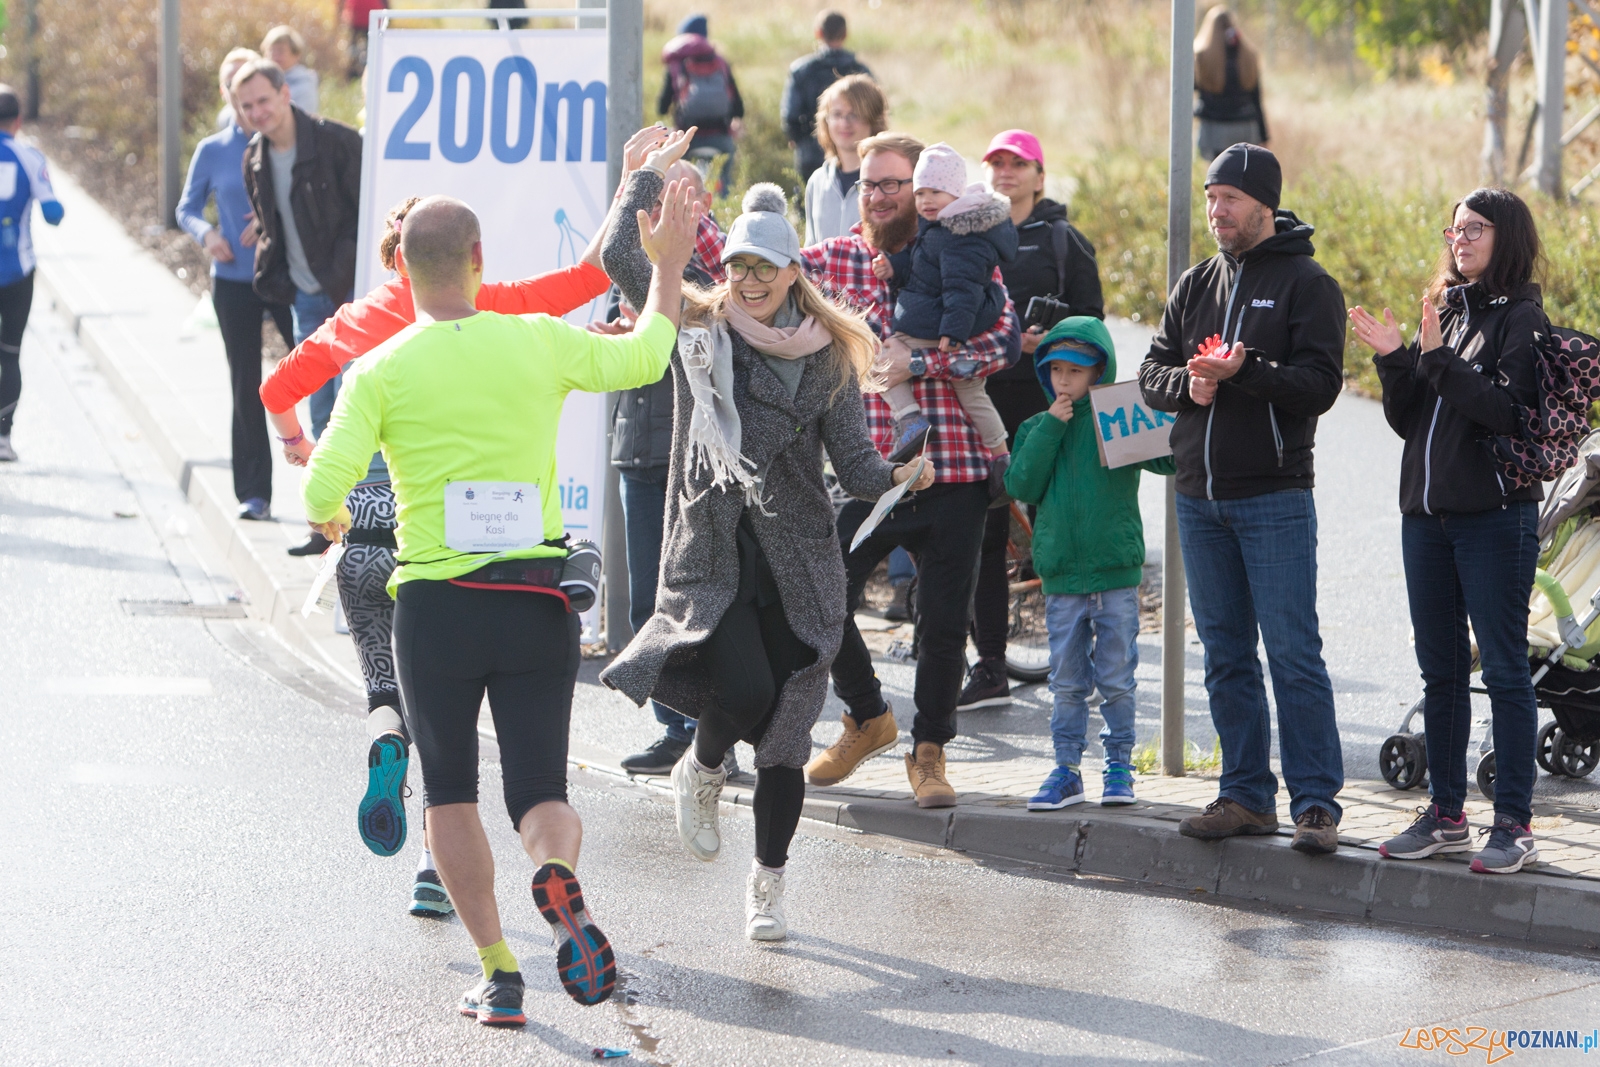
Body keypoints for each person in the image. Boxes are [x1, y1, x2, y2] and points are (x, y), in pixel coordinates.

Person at [301, 180, 699, 1023]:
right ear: (480, 262)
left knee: (449, 792)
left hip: (437, 606)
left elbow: (322, 486)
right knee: (539, 791)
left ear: (403, 270)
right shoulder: (537, 339)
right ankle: (561, 882)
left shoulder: (379, 367)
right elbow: (645, 356)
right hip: (535, 600)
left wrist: (334, 515)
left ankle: (499, 971)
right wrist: (664, 267)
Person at [600, 133, 933, 941]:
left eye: (762, 268)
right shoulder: (700, 322)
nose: (746, 280)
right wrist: (640, 173)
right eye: (738, 265)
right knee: (743, 692)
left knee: (787, 733)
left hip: (798, 562)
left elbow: (852, 463)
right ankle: (703, 765)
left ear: (793, 274)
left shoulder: (827, 360)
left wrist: (895, 475)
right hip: (716, 550)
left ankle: (768, 887)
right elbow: (619, 255)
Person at [261, 194, 613, 914]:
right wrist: (633, 188)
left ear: (396, 259)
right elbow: (587, 278)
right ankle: (435, 867)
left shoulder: (357, 323)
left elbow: (276, 388)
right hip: (447, 553)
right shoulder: (494, 307)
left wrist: (298, 447)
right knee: (458, 749)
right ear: (461, 259)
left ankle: (386, 733)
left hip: (362, 537)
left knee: (397, 694)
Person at [799, 131, 1020, 808]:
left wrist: (922, 364)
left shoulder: (962, 247)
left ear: (924, 190)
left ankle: (929, 752)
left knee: (945, 621)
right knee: (816, 587)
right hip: (871, 473)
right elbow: (752, 271)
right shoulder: (838, 261)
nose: (884, 195)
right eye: (870, 184)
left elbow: (1003, 338)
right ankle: (867, 714)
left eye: (896, 182)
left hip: (952, 467)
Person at [1138, 143, 1346, 855]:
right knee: (1226, 654)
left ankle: (1316, 803)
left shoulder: (1307, 283)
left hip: (1275, 497)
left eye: (1228, 198)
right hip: (1199, 497)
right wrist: (1188, 386)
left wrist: (1246, 369)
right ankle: (1246, 795)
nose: (1216, 210)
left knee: (1293, 653)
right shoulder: (1196, 282)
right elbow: (1151, 370)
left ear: (1264, 204)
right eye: (1210, 197)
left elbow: (1320, 385)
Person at [1353, 188, 1546, 875]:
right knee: (1440, 671)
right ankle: (1446, 813)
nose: (1458, 239)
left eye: (1474, 229)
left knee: (1503, 668)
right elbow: (1414, 420)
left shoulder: (1523, 318)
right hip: (1426, 519)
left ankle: (1516, 825)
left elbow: (1507, 413)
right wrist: (1396, 357)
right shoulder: (1450, 309)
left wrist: (1435, 360)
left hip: (1495, 518)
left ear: (1507, 237)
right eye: (1454, 229)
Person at [960, 128, 1104, 711]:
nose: (1006, 172)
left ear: (1040, 175)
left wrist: (1051, 339)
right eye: (996, 162)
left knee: (1062, 532)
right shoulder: (968, 237)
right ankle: (991, 665)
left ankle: (1079, 658)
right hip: (987, 406)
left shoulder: (1065, 241)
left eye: (1017, 163)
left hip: (1052, 406)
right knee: (988, 537)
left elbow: (1093, 326)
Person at [1006, 319, 1173, 809]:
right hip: (1061, 581)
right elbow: (1022, 485)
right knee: (1067, 682)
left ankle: (1119, 766)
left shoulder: (1118, 419)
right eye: (1055, 369)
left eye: (1075, 371)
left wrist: (1172, 410)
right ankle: (1066, 770)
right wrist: (1053, 426)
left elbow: (1171, 461)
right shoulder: (1036, 428)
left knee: (1117, 679)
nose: (1063, 380)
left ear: (1099, 373)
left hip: (1115, 574)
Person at [606, 160, 738, 777]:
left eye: (679, 190)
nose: (664, 203)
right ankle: (672, 729)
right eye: (656, 192)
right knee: (644, 604)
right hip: (638, 445)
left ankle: (711, 740)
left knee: (696, 604)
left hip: (693, 456)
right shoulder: (638, 257)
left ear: (705, 198)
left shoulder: (722, 264)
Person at [234, 57, 362, 554]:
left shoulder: (338, 142)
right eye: (247, 106)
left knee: (356, 404)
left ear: (286, 94)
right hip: (306, 301)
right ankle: (327, 525)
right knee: (322, 406)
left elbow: (366, 211)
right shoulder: (254, 157)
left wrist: (344, 266)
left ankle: (362, 520)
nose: (257, 112)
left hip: (350, 297)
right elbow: (271, 222)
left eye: (264, 100)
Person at [177, 49, 293, 521]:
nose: (245, 102)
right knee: (246, 383)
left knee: (317, 378)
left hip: (284, 277)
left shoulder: (285, 142)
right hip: (233, 282)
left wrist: (270, 221)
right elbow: (185, 209)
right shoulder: (213, 149)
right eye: (232, 89)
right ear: (229, 96)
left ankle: (332, 492)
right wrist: (209, 234)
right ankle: (254, 493)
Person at [871, 142, 1016, 472]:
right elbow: (922, 266)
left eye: (935, 192)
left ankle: (910, 422)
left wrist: (953, 330)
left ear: (956, 194)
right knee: (972, 394)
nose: (926, 201)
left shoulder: (958, 236)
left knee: (880, 362)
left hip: (934, 329)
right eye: (921, 193)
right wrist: (894, 267)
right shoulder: (938, 230)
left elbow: (961, 289)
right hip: (933, 324)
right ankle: (1000, 455)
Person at [0, 84, 63, 463]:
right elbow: (53, 215)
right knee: (9, 354)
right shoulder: (29, 156)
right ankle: (3, 438)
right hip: (16, 271)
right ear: (19, 121)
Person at [782, 10, 871, 187]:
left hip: (811, 152)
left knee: (807, 209)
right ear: (845, 34)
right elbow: (876, 111)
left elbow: (790, 116)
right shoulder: (860, 70)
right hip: (854, 152)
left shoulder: (801, 70)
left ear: (818, 33)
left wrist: (801, 141)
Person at [657, 15, 744, 196]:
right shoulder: (719, 62)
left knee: (679, 179)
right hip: (720, 136)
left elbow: (662, 106)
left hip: (687, 137)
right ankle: (722, 208)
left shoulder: (677, 64)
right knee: (724, 180)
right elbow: (738, 105)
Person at [803, 74, 885, 246]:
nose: (844, 123)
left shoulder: (888, 182)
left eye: (854, 115)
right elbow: (811, 249)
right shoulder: (817, 182)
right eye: (837, 114)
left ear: (873, 119)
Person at [1194, 6, 1268, 162]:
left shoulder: (1201, 56)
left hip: (1215, 129)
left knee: (1217, 179)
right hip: (1245, 128)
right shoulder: (1248, 55)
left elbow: (1191, 88)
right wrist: (1263, 134)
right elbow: (1256, 98)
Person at [262, 26, 320, 116]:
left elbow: (300, 120)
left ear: (296, 55)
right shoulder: (261, 81)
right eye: (271, 51)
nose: (275, 56)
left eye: (280, 51)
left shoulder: (304, 85)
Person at [341, 0, 387, 79]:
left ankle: (351, 71)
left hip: (355, 15)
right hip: (373, 14)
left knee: (353, 44)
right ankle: (373, 72)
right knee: (374, 48)